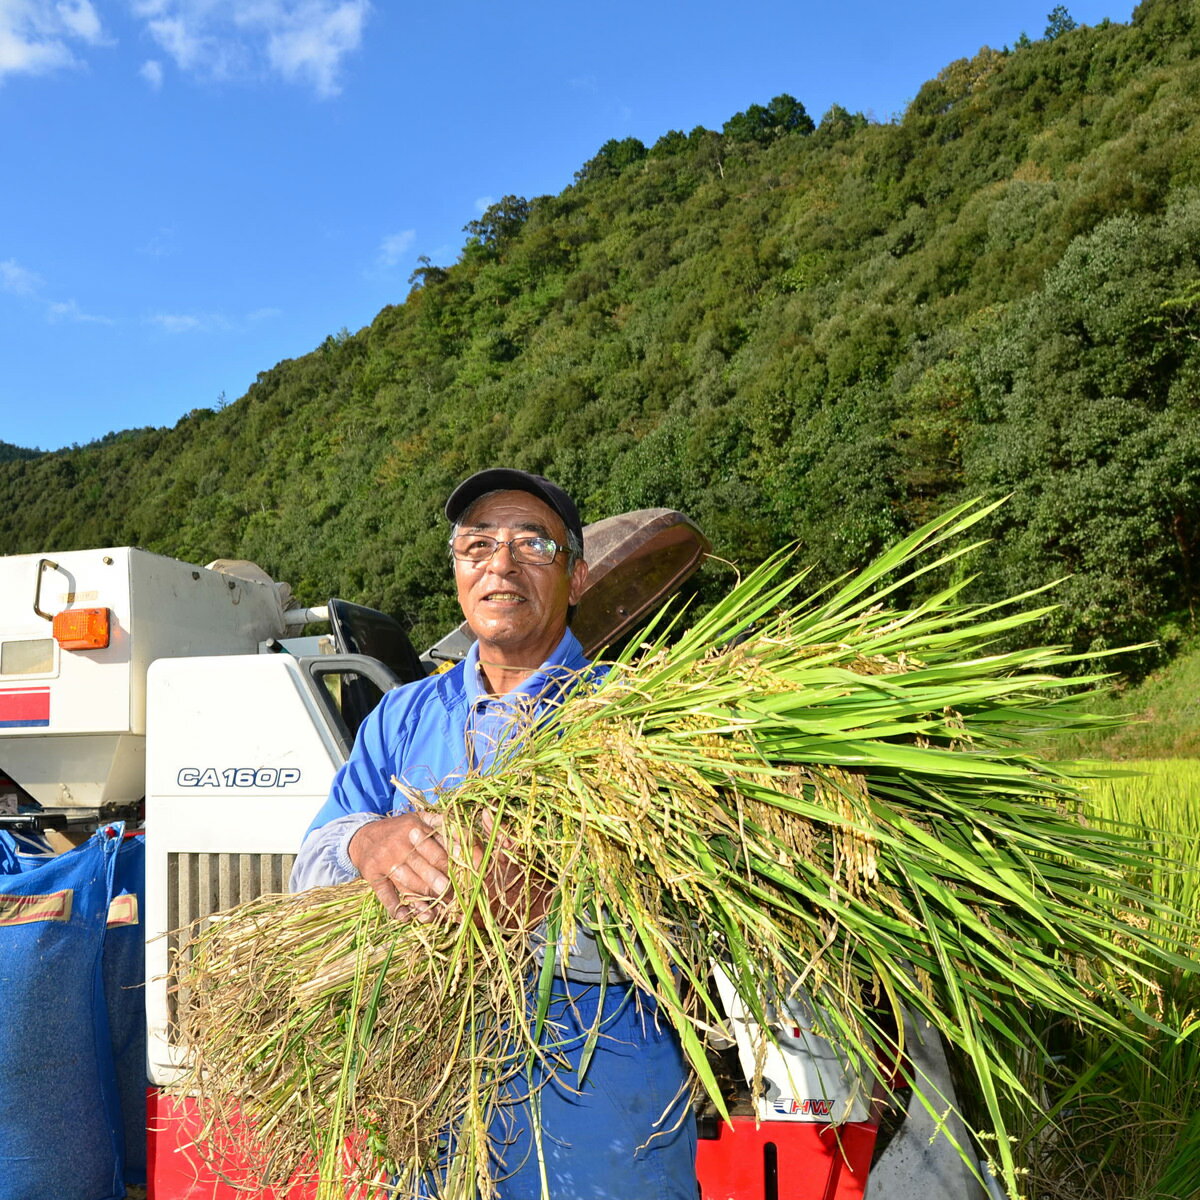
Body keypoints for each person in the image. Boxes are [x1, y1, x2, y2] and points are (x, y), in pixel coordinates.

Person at [290, 468, 698, 1200]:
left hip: (599, 1130)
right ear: (457, 574)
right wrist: (366, 844)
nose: (500, 564)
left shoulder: (636, 718)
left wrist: (551, 908)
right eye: (477, 545)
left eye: (532, 545)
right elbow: (308, 867)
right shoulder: (403, 714)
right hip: (431, 1122)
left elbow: (700, 926)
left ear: (575, 578)